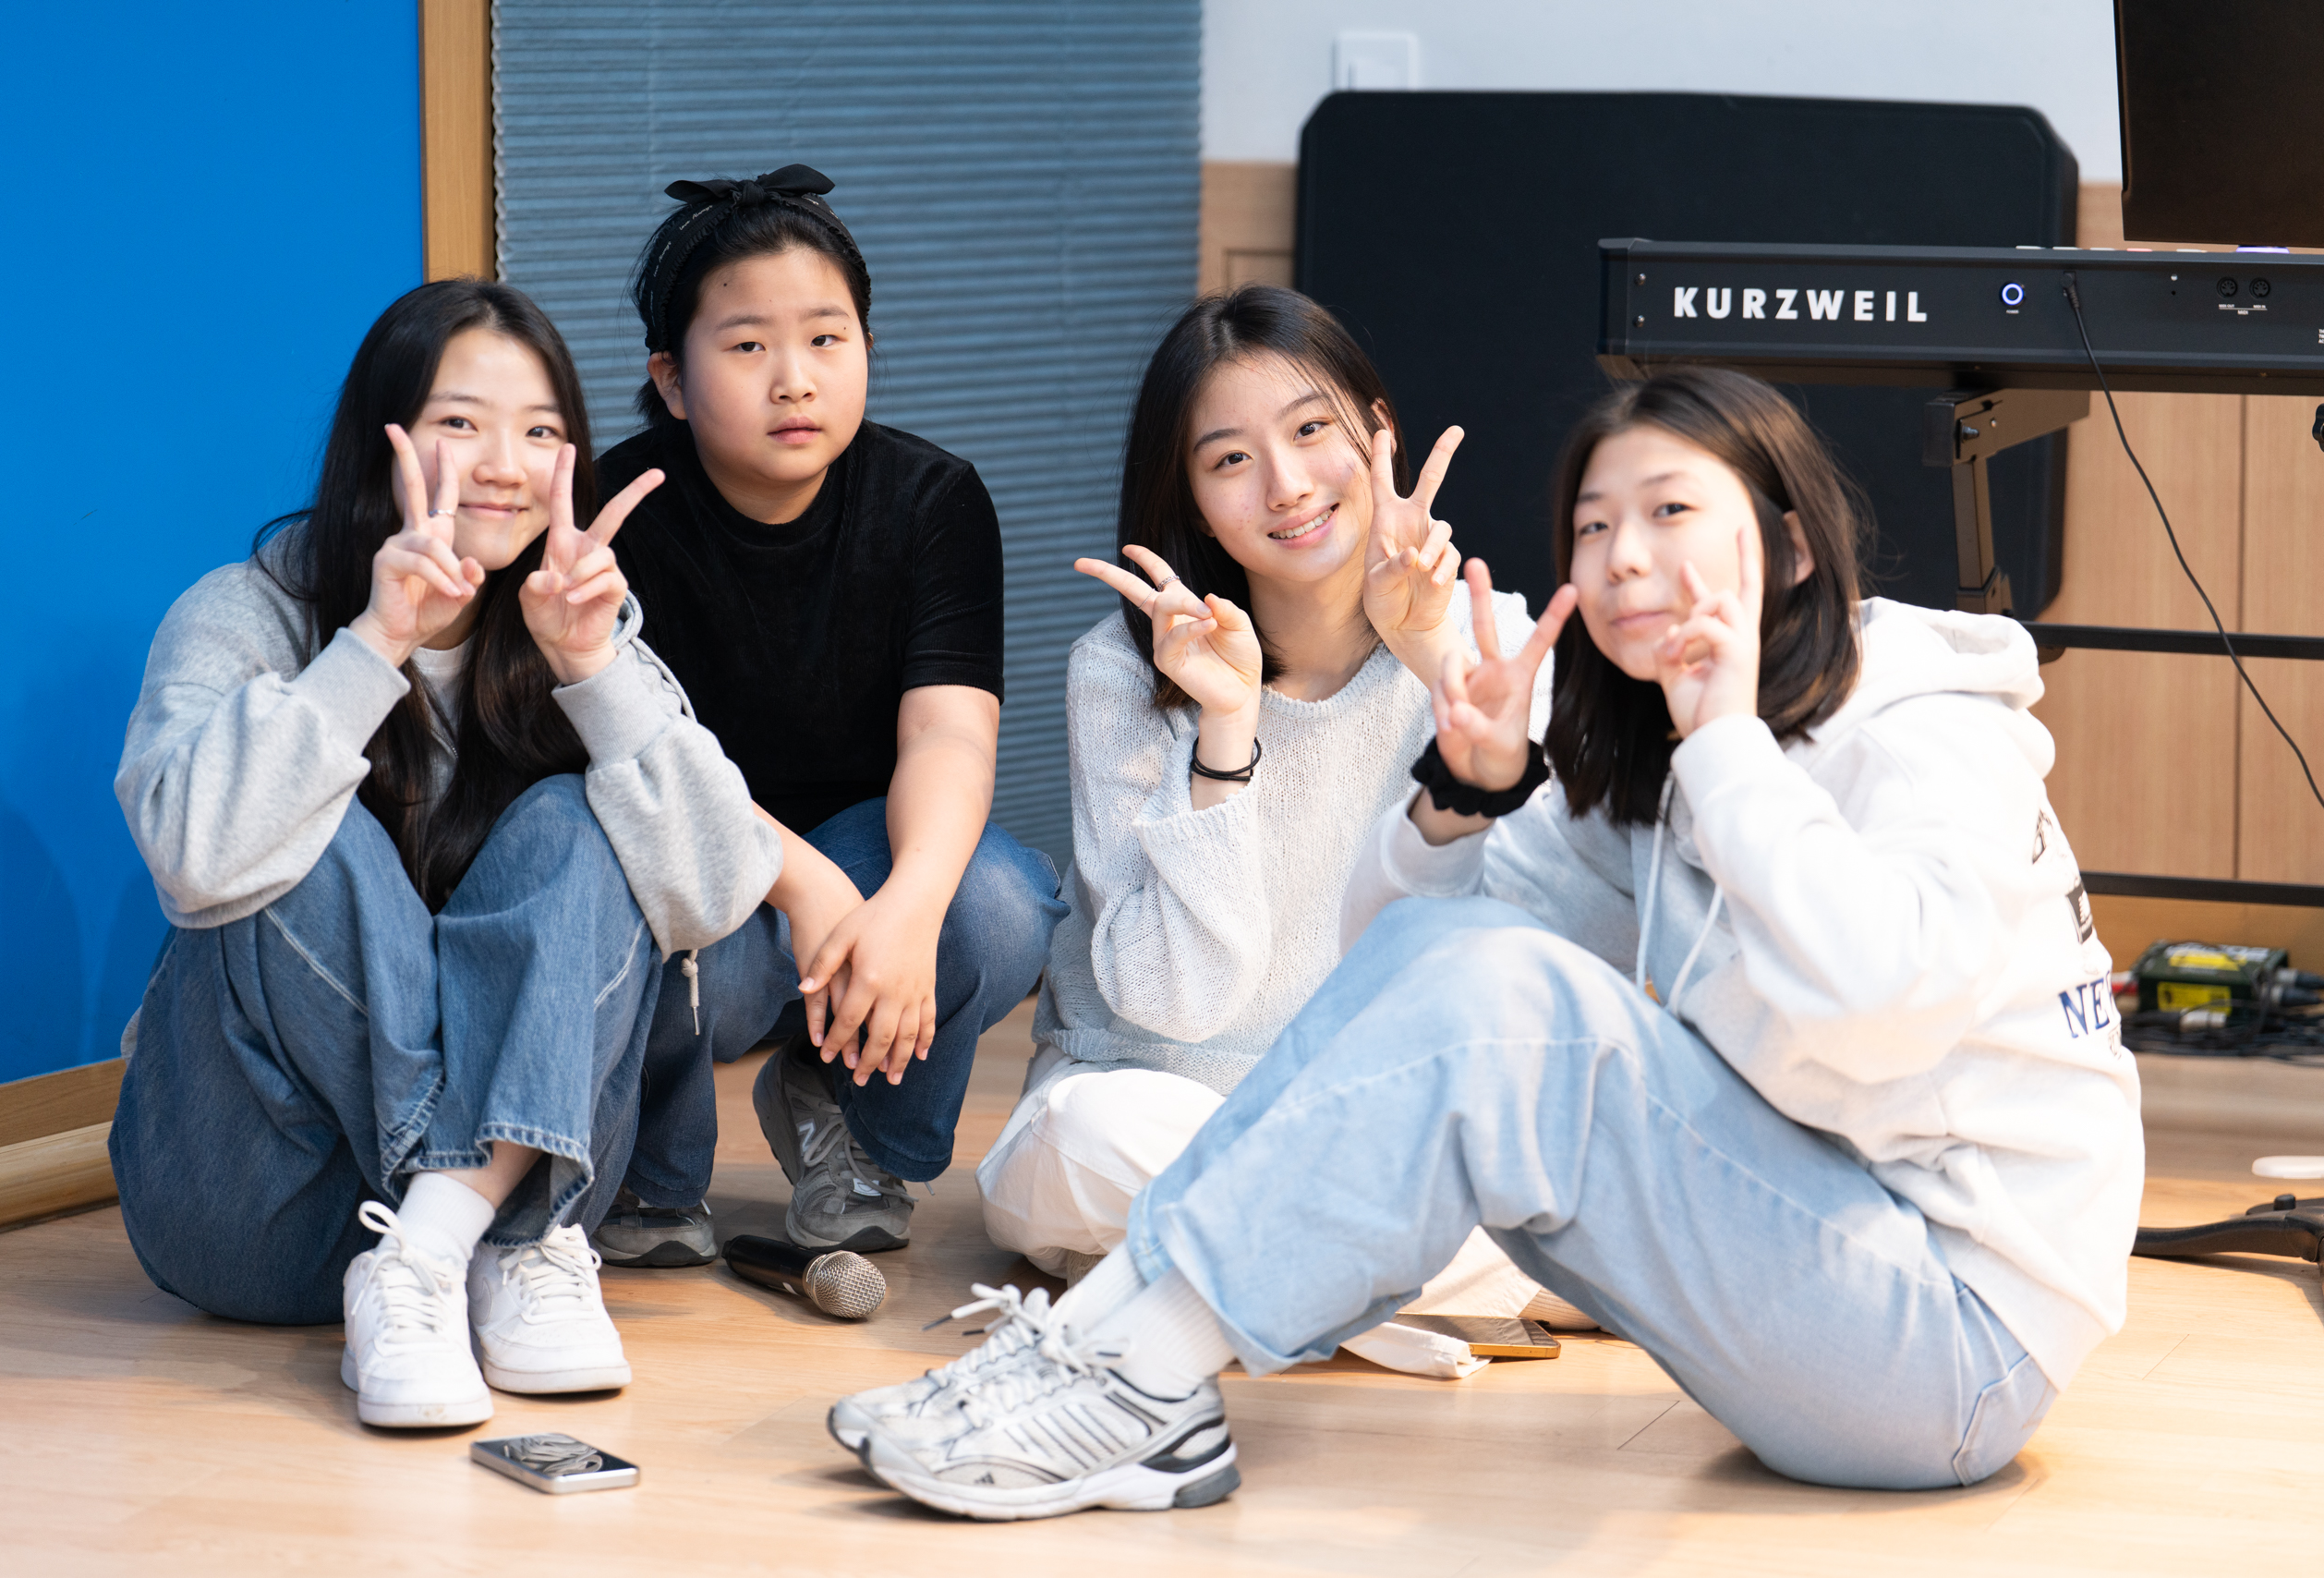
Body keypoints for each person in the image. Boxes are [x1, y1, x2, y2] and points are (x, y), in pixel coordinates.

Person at [829, 366, 2143, 1519]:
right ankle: (1116, 1351)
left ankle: (1136, 1372)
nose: (1624, 557)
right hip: (1819, 1267)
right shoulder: (1664, 752)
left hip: (1953, 1347)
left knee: (1512, 998)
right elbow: (1400, 982)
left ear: (1790, 549)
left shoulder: (1917, 728)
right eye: (1595, 526)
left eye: (1671, 513)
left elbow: (1881, 1009)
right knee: (1470, 968)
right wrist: (1465, 793)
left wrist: (1729, 743)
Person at [108, 279, 780, 1429]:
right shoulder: (248, 613)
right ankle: (446, 1233)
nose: (507, 466)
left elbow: (718, 892)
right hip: (259, 1208)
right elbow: (189, 855)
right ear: (380, 439)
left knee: (580, 820)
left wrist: (595, 673)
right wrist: (373, 644)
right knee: (294, 827)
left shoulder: (578, 624)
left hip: (510, 1246)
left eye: (543, 431)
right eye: (461, 422)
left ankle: (430, 1246)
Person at [971, 285, 1587, 1380]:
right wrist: (1226, 728)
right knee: (1083, 1139)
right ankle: (1394, 1289)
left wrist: (1435, 658)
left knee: (1549, 1166)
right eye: (1229, 459)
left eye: (1311, 431)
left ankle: (1231, 1282)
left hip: (1381, 1130)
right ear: (1191, 500)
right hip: (1154, 1109)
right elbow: (1172, 1001)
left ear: (1379, 434)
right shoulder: (1124, 671)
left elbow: (1558, 935)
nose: (1287, 484)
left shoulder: (1490, 643)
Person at [587, 166, 1063, 1268]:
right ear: (671, 379)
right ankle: (651, 1172)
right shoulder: (615, 516)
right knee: (657, 933)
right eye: (748, 345)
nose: (794, 378)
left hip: (860, 847)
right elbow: (643, 764)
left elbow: (948, 733)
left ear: (866, 350)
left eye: (826, 339)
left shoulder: (932, 500)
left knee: (996, 906)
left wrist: (908, 907)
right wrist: (804, 884)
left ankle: (850, 1125)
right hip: (692, 865)